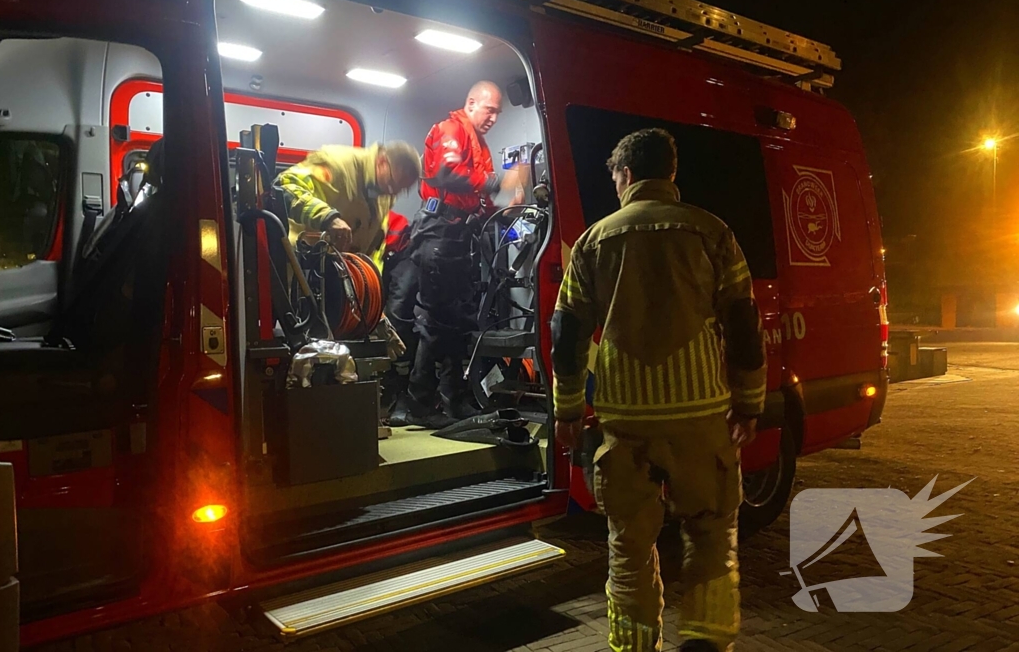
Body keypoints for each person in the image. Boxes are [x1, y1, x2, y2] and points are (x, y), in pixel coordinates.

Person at [551, 128, 766, 652]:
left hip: (626, 423)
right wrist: (750, 402)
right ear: (671, 174)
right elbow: (743, 326)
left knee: (629, 546)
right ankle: (706, 641)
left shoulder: (594, 242)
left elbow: (568, 333)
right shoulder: (712, 232)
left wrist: (568, 407)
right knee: (712, 538)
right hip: (701, 420)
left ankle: (634, 645)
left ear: (624, 175)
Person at [389, 80, 527, 427]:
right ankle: (418, 403)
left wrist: (505, 210)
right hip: (438, 234)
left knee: (459, 323)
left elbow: (477, 199)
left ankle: (454, 401)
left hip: (458, 237)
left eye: (498, 112)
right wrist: (499, 183)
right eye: (489, 109)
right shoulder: (451, 129)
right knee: (436, 322)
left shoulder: (479, 146)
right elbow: (447, 173)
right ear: (470, 103)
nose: (494, 117)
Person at [274, 141, 421, 265]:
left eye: (402, 190)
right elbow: (285, 187)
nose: (394, 193)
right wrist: (327, 218)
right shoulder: (337, 164)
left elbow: (375, 244)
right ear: (381, 162)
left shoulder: (385, 191)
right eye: (392, 184)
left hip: (335, 276)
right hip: (297, 264)